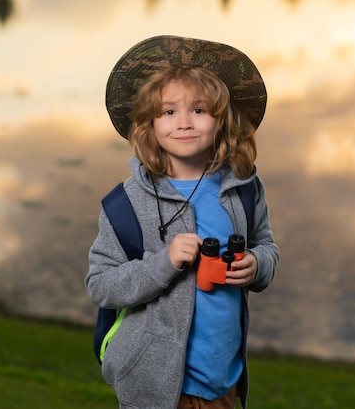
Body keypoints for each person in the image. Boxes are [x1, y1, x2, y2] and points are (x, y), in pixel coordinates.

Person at [86, 35, 279, 409]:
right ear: (149, 123)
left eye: (200, 110)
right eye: (169, 112)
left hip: (223, 381)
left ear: (221, 120)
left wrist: (257, 266)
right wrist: (165, 262)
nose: (185, 123)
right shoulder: (126, 203)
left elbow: (266, 247)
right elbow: (101, 285)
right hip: (151, 387)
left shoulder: (243, 189)